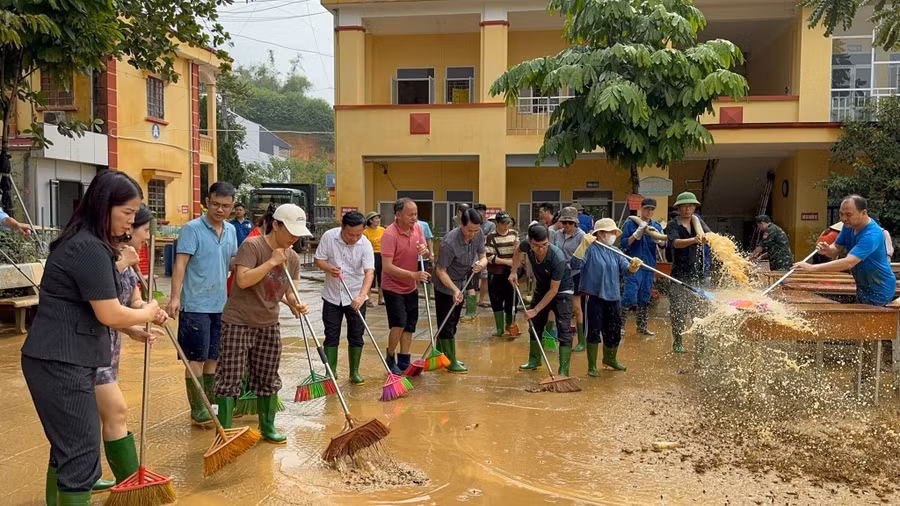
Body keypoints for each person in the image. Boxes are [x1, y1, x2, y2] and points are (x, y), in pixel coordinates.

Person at [21, 170, 165, 505]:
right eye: (127, 214)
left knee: (70, 449)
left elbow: (91, 307)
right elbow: (110, 313)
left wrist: (131, 327)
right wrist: (147, 311)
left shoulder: (90, 243)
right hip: (61, 361)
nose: (131, 225)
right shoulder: (89, 248)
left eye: (134, 216)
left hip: (66, 358)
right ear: (104, 206)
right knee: (82, 454)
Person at [214, 204, 310, 444]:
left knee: (268, 376)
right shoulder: (252, 246)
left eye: (298, 233)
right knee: (230, 377)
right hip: (239, 321)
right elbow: (243, 280)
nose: (294, 238)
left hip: (268, 323)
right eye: (290, 232)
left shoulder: (293, 257)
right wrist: (271, 262)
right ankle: (225, 433)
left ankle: (267, 426)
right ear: (276, 225)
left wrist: (295, 304)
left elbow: (289, 293)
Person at [92, 205, 164, 491]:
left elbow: (131, 303)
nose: (146, 237)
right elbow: (97, 307)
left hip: (109, 348)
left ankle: (87, 473)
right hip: (86, 349)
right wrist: (120, 264)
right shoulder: (100, 257)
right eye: (144, 230)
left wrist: (146, 314)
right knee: (116, 411)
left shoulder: (132, 263)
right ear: (128, 229)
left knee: (87, 420)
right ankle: (133, 488)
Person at [167, 182, 238, 425]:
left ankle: (210, 404)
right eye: (216, 204)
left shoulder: (230, 230)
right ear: (207, 202)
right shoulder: (192, 229)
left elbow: (232, 264)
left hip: (220, 305)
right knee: (195, 358)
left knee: (213, 357)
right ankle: (198, 408)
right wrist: (175, 298)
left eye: (226, 206)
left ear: (232, 207)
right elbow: (180, 265)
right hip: (195, 305)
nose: (220, 210)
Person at [794, 195, 897, 306]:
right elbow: (836, 248)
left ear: (863, 213)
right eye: (841, 214)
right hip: (863, 286)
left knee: (870, 320)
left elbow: (849, 262)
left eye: (848, 215)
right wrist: (828, 249)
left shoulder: (872, 235)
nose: (843, 218)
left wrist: (813, 268)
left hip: (880, 288)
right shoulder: (848, 226)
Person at [574, 218, 642, 374]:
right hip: (593, 296)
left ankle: (610, 359)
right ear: (600, 234)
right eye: (610, 232)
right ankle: (591, 365)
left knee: (613, 330)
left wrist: (633, 267)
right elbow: (575, 264)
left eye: (614, 232)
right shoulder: (590, 249)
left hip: (613, 297)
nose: (613, 235)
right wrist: (582, 246)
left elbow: (625, 270)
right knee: (593, 330)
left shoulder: (616, 252)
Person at [314, 211, 375, 385]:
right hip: (332, 295)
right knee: (331, 334)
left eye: (358, 234)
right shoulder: (329, 237)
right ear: (342, 227)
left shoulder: (365, 244)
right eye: (350, 234)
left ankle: (354, 372)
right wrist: (328, 268)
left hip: (356, 295)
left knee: (356, 334)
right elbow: (319, 259)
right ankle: (330, 371)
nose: (354, 238)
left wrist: (362, 296)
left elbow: (369, 272)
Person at [509, 224, 575, 376]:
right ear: (530, 242)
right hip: (542, 287)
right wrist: (513, 271)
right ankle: (534, 360)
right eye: (537, 246)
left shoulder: (557, 257)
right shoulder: (526, 244)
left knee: (564, 328)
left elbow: (554, 290)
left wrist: (535, 309)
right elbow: (518, 250)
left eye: (544, 245)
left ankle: (563, 370)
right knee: (535, 325)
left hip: (561, 291)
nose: (541, 249)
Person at [434, 208, 487, 373]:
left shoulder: (478, 235)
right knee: (446, 323)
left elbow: (484, 256)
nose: (472, 234)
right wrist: (455, 290)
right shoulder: (449, 243)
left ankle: (440, 355)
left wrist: (481, 264)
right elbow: (440, 271)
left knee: (454, 321)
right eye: (469, 230)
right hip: (445, 284)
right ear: (461, 224)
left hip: (462, 281)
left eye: (475, 230)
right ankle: (450, 361)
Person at [381, 198, 431, 374]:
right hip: (392, 286)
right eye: (410, 214)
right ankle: (390, 356)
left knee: (410, 324)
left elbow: (425, 249)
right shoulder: (389, 234)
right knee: (399, 323)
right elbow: (387, 267)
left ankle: (404, 359)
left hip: (410, 286)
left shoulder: (417, 228)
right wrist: (413, 275)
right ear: (398, 214)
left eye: (416, 214)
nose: (414, 218)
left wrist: (425, 251)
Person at [665, 192, 711, 353]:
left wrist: (711, 238)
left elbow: (709, 234)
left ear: (694, 207)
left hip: (698, 274)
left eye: (691, 206)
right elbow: (675, 243)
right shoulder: (673, 225)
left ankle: (701, 345)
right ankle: (677, 341)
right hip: (679, 274)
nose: (687, 208)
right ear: (679, 207)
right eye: (684, 206)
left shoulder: (698, 221)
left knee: (699, 311)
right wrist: (693, 240)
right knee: (678, 309)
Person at [620, 199, 666, 336]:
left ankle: (642, 326)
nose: (649, 212)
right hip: (634, 266)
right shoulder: (630, 223)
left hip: (649, 266)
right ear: (641, 208)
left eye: (652, 209)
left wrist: (659, 240)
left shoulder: (656, 226)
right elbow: (623, 243)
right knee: (629, 295)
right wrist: (635, 235)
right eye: (646, 209)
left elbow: (664, 246)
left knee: (645, 297)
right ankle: (620, 326)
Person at [554, 207, 587, 351]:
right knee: (554, 305)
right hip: (558, 274)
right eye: (564, 222)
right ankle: (550, 334)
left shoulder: (581, 236)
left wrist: (568, 265)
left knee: (576, 307)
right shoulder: (557, 234)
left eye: (570, 223)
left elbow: (584, 258)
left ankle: (581, 340)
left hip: (575, 273)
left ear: (575, 224)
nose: (567, 225)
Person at [485, 211, 519, 337]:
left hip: (511, 272)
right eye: (503, 223)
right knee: (496, 300)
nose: (506, 226)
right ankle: (499, 328)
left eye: (508, 223)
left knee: (512, 299)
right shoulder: (491, 236)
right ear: (497, 223)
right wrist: (507, 262)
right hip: (496, 273)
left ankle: (510, 325)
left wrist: (517, 248)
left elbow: (518, 252)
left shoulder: (514, 234)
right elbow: (490, 256)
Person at [474, 203, 496, 310]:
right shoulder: (473, 224)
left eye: (481, 214)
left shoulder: (491, 225)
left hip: (485, 254)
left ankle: (481, 300)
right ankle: (470, 299)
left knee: (484, 278)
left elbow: (490, 238)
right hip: (473, 254)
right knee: (471, 277)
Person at [363, 211, 385, 307]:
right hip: (370, 255)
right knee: (370, 277)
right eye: (376, 218)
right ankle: (369, 299)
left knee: (382, 278)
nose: (378, 220)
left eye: (378, 218)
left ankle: (381, 299)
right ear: (370, 220)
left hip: (381, 255)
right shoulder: (365, 232)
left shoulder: (382, 230)